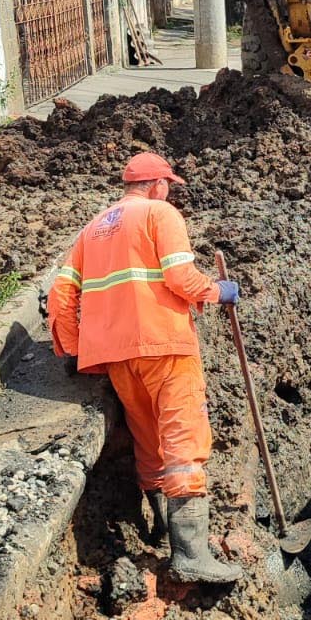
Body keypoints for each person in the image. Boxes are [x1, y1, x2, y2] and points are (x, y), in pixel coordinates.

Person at [47, 151, 243, 586]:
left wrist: (76, 351)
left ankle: (159, 524)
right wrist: (218, 291)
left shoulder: (93, 227)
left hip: (116, 356)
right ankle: (191, 552)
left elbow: (60, 296)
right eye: (168, 184)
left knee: (148, 437)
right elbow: (180, 278)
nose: (169, 190)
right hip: (165, 345)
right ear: (157, 185)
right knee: (183, 438)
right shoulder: (161, 213)